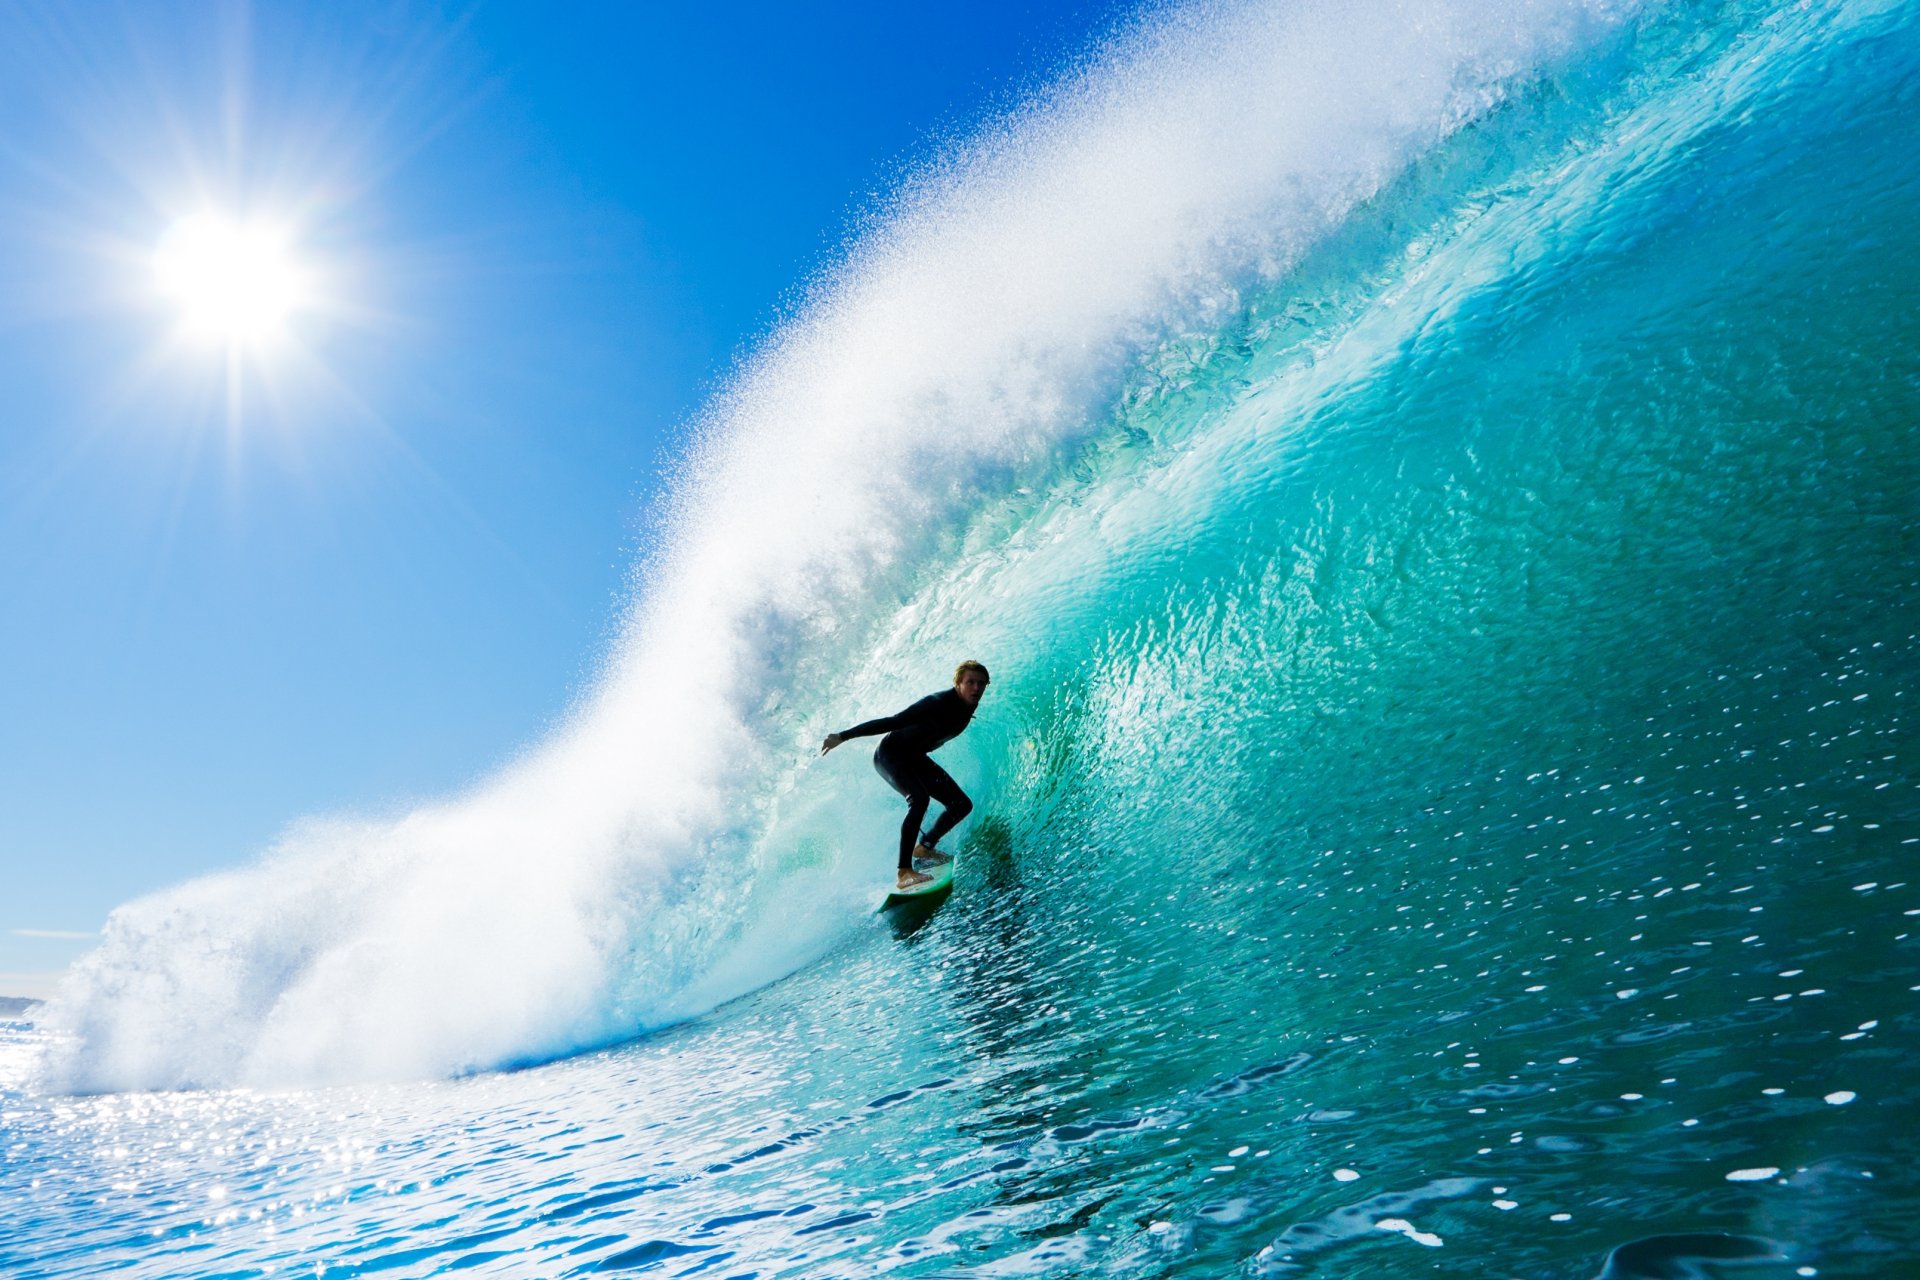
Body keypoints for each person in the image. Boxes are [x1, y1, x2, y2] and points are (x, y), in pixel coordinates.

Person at [821, 661, 990, 891]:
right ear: (958, 683)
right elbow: (893, 721)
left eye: (981, 683)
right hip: (890, 755)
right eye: (970, 682)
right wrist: (843, 736)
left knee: (960, 804)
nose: (976, 688)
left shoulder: (967, 707)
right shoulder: (936, 704)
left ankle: (925, 848)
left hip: (914, 757)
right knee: (919, 799)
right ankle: (904, 871)